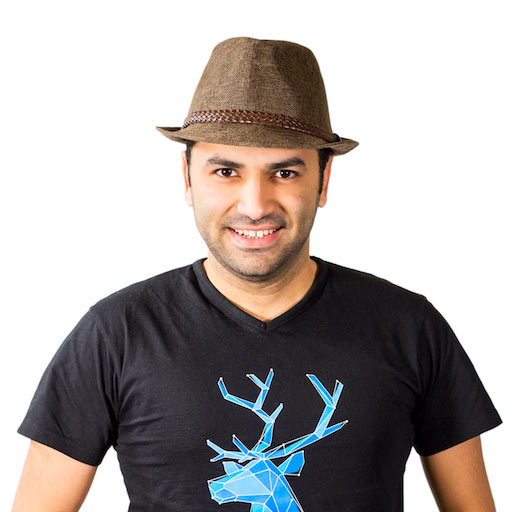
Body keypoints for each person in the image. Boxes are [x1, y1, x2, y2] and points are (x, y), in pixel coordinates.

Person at [12, 37, 502, 512]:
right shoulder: (115, 333)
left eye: (284, 173)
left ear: (323, 181)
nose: (254, 205)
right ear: (187, 179)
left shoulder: (410, 327)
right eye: (225, 171)